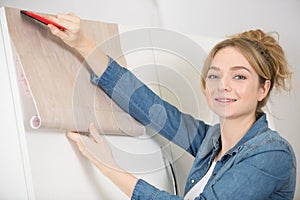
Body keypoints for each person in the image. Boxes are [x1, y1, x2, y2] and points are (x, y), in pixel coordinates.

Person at [46, 13, 296, 199]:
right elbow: (150, 107)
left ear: (263, 89)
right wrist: (83, 44)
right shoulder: (209, 141)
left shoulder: (272, 155)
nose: (223, 85)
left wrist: (110, 167)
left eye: (239, 76)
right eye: (214, 75)